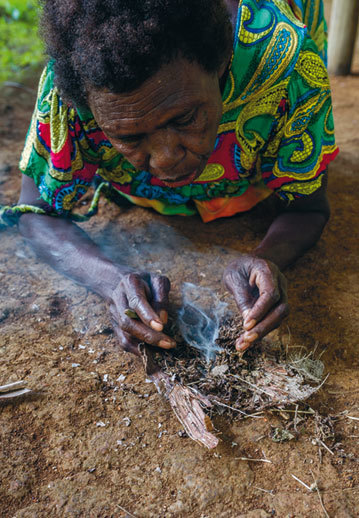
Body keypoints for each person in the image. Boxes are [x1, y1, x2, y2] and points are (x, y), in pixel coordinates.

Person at [1, 0, 338, 355]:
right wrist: (110, 279)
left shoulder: (284, 64)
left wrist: (269, 257)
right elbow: (35, 213)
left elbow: (307, 209)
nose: (165, 159)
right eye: (129, 137)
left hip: (251, 185)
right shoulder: (71, 89)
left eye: (185, 119)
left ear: (223, 63)